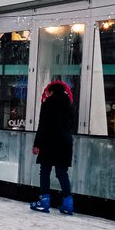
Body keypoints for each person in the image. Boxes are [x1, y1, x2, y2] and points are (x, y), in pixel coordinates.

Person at [31, 81, 75, 215]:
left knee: (45, 171)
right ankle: (68, 204)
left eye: (48, 92)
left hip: (49, 141)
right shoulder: (70, 105)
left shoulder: (47, 104)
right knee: (62, 173)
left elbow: (42, 126)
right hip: (65, 141)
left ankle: (44, 201)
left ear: (52, 92)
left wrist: (36, 144)